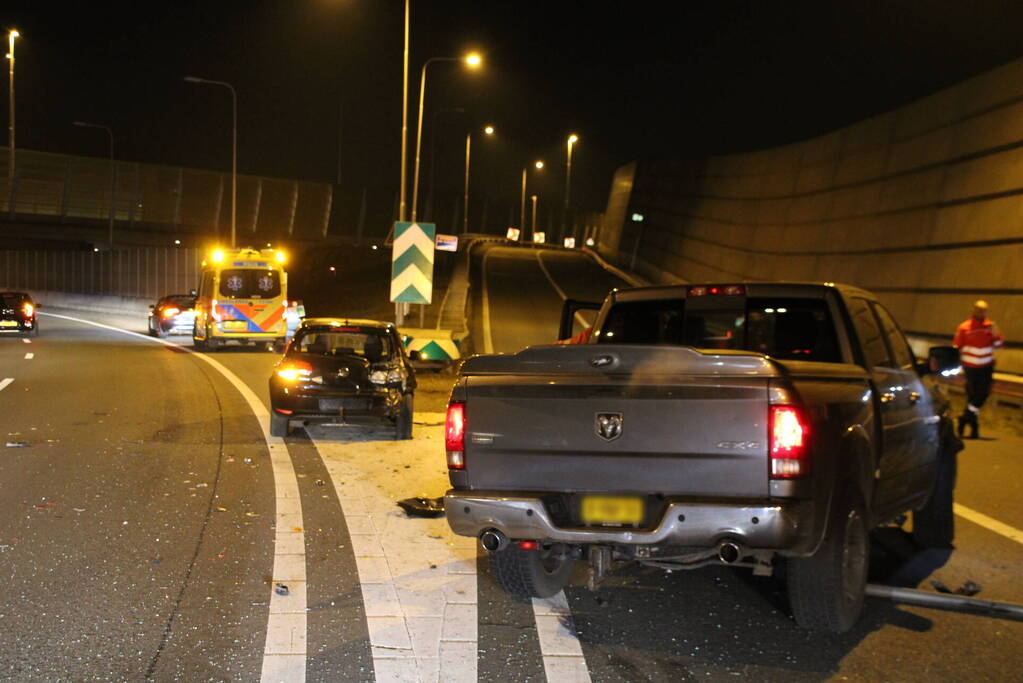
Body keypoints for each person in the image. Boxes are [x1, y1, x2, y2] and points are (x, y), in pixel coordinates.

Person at [952, 300, 1004, 438]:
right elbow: (957, 346)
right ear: (974, 310)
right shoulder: (964, 327)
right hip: (970, 368)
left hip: (986, 367)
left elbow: (999, 344)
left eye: (984, 310)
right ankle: (974, 429)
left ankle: (965, 417)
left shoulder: (990, 327)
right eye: (979, 310)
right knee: (972, 396)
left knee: (983, 394)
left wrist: (996, 332)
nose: (981, 313)